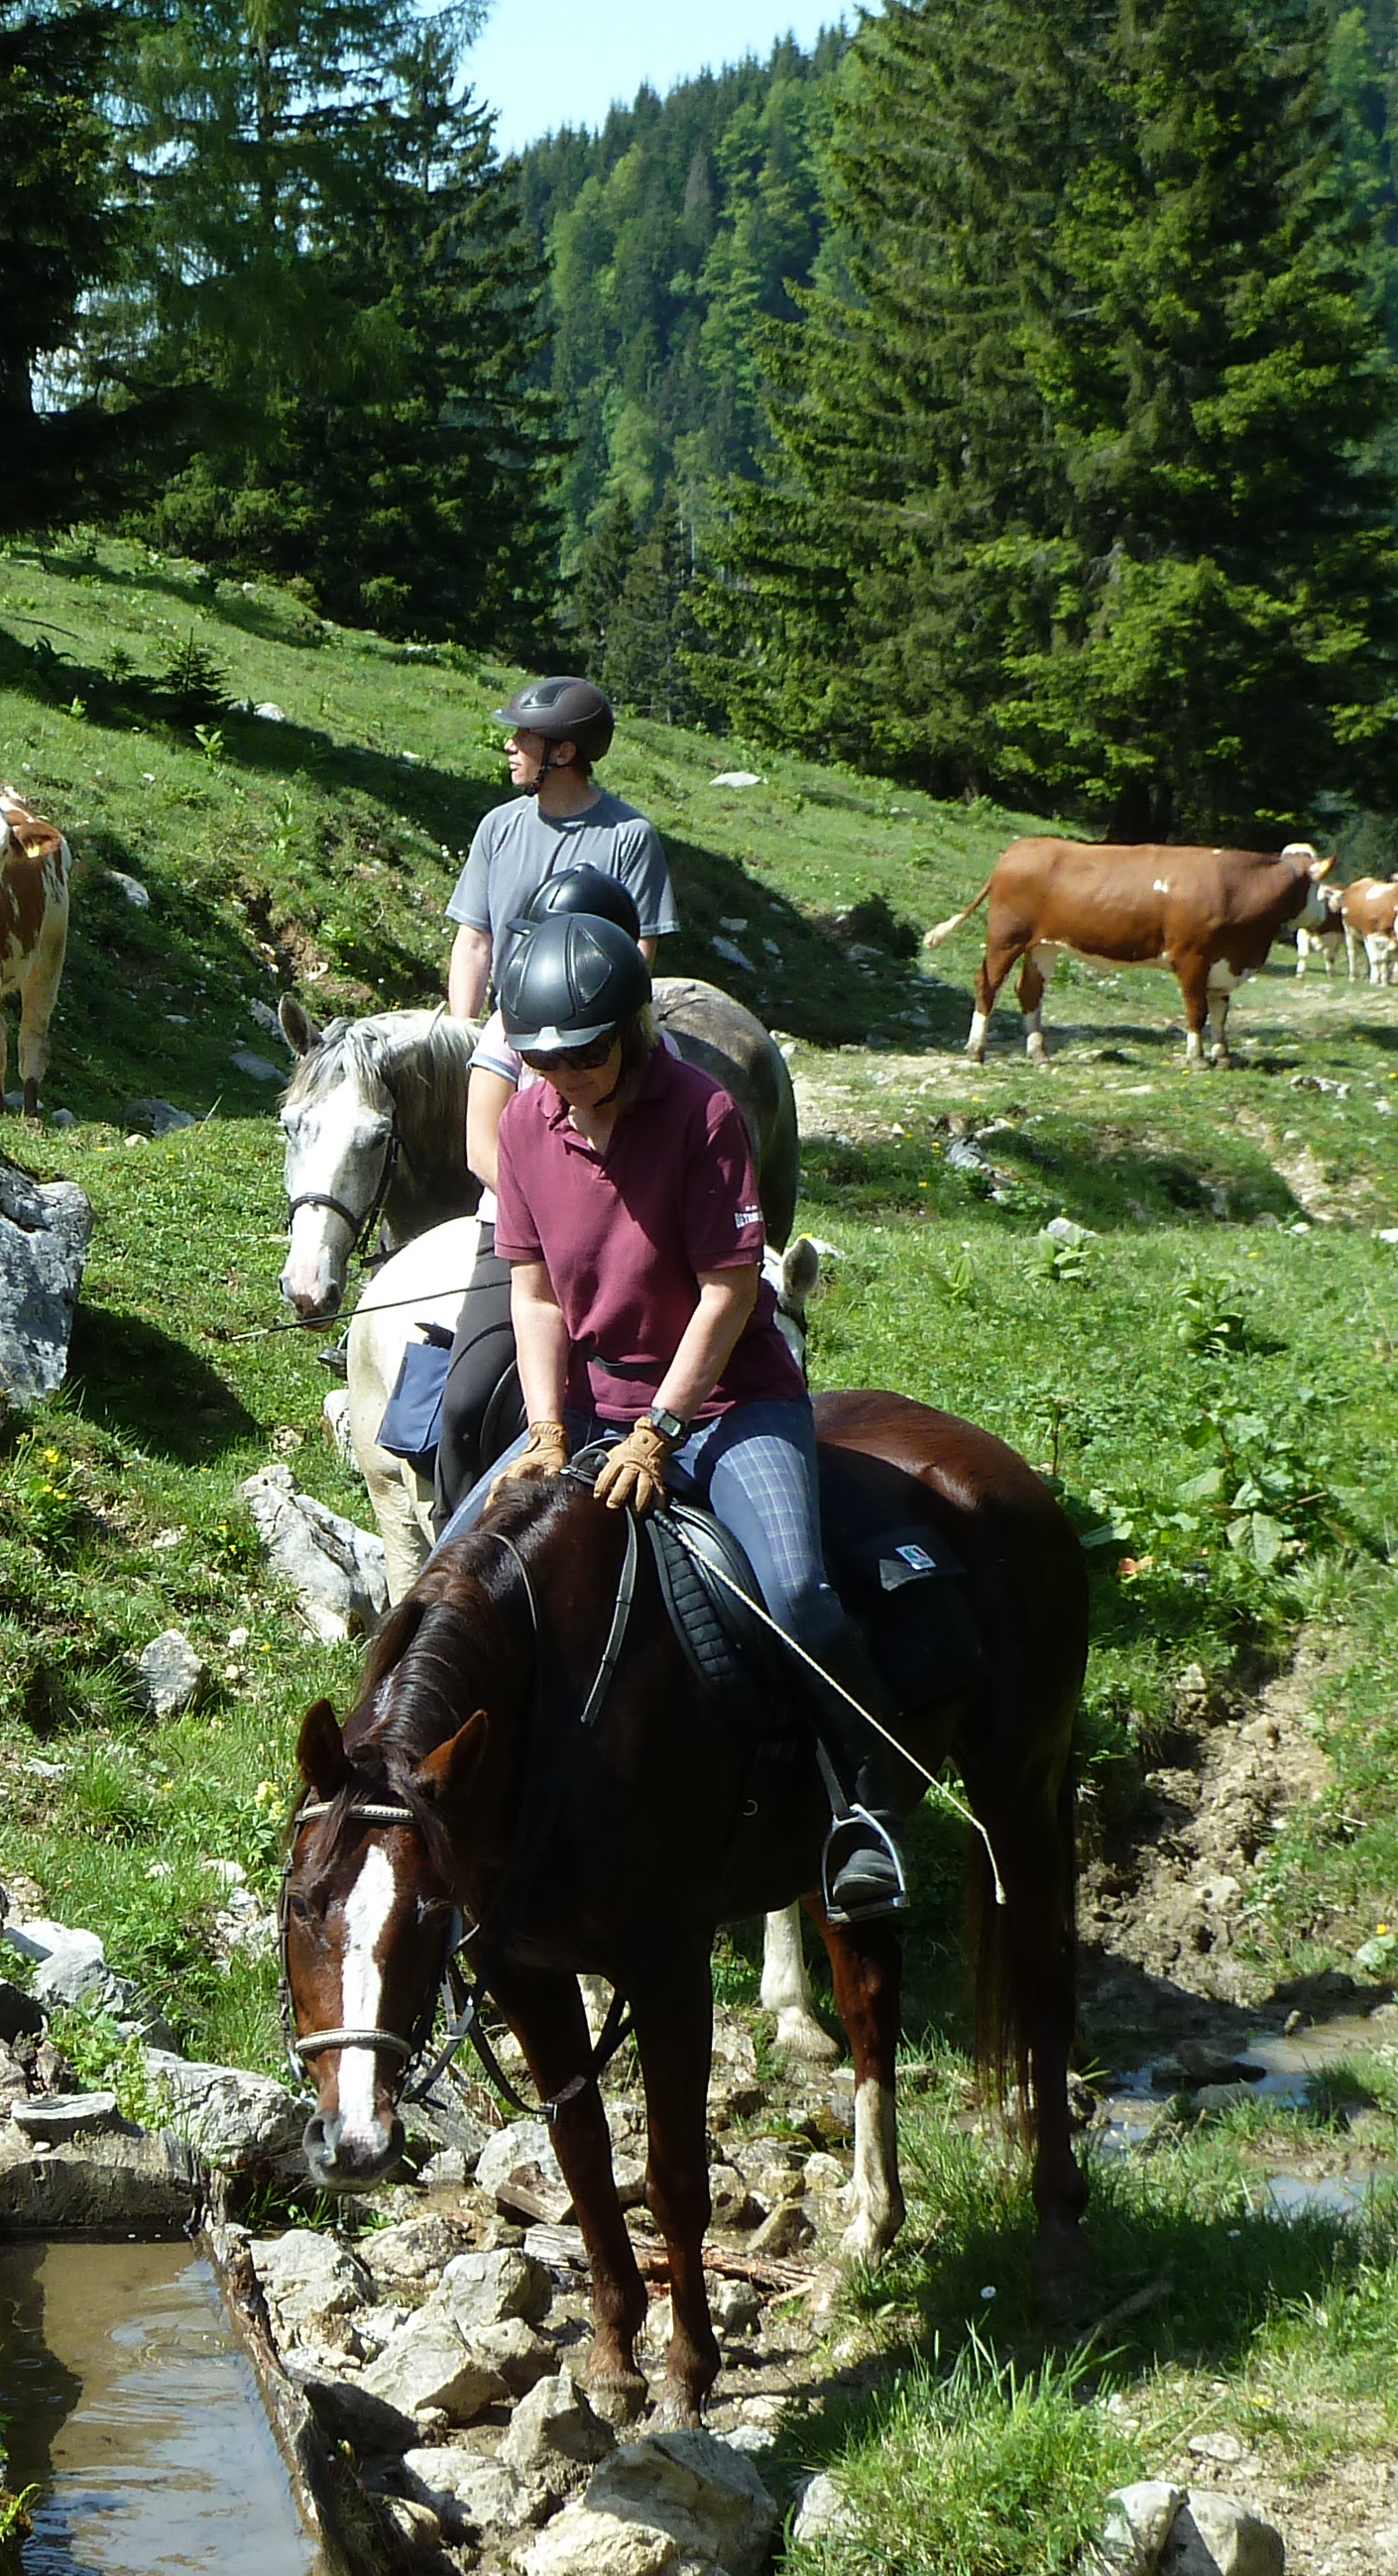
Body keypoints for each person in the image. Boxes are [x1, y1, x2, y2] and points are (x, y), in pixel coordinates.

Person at [447, 910, 907, 1925]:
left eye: (583, 1056)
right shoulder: (527, 1123)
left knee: (793, 1592)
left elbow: (728, 1291)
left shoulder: (702, 1115)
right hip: (588, 1398)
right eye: (541, 1060)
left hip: (728, 1400)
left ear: (632, 1031)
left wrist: (659, 1428)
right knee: (452, 1569)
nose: (563, 1079)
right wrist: (549, 1430)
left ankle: (859, 1805)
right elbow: (531, 1294)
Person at [429, 676, 679, 1518]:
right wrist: (473, 1038)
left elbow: (638, 953)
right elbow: (475, 937)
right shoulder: (498, 828)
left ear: (561, 751)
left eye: (521, 738)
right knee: (461, 1397)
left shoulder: (627, 838)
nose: (507, 747)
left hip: (601, 1044)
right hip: (516, 1064)